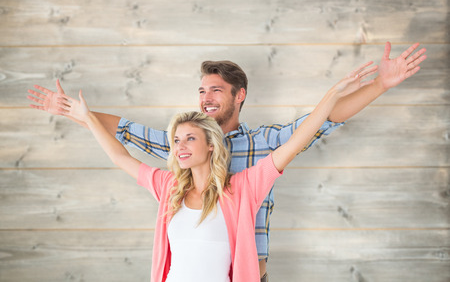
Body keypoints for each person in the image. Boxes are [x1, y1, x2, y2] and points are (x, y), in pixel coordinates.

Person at [27, 42, 427, 280]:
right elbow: (126, 138)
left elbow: (315, 125)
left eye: (216, 90)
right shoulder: (180, 155)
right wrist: (80, 114)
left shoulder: (259, 152)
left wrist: (378, 84)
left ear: (240, 96)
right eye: (202, 90)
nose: (206, 98)